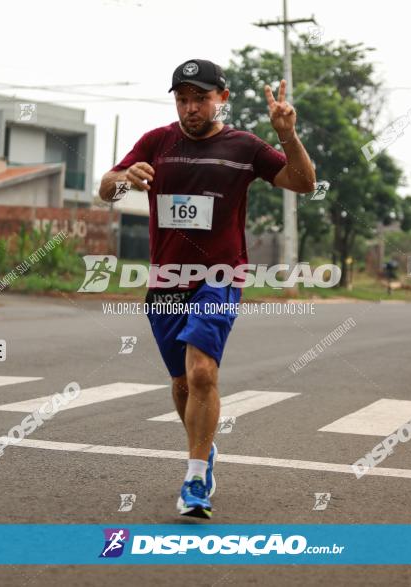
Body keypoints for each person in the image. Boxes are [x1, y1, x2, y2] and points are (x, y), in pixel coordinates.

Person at [99, 59, 315, 518]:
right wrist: (124, 178)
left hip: (220, 277)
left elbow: (303, 182)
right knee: (181, 382)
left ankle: (196, 478)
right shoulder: (156, 143)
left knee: (201, 374)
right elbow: (105, 188)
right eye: (182, 98)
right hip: (166, 281)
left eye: (200, 97)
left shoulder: (245, 147)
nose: (191, 107)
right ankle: (205, 448)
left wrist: (287, 136)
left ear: (223, 97)